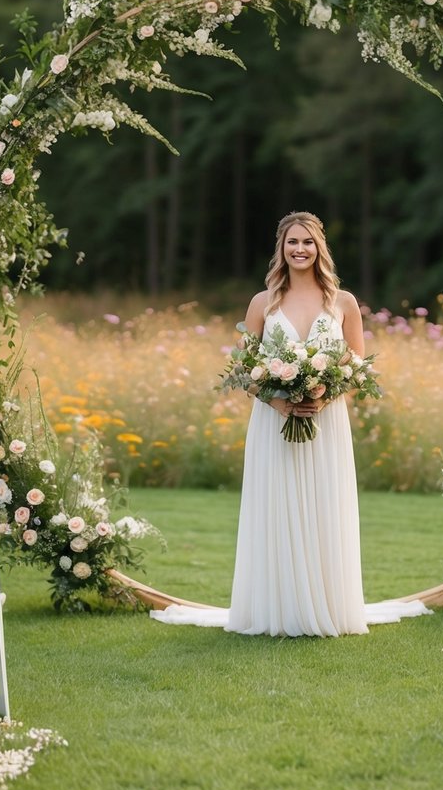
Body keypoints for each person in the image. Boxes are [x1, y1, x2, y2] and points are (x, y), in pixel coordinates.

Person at [150, 212, 428, 637]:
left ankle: (327, 608)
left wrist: (322, 396)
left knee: (323, 510)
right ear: (281, 248)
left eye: (308, 242)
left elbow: (358, 368)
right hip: (272, 424)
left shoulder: (344, 303)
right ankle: (277, 610)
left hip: (326, 424)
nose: (300, 249)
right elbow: (244, 370)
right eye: (292, 242)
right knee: (277, 509)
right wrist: (280, 403)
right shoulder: (263, 303)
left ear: (320, 249)